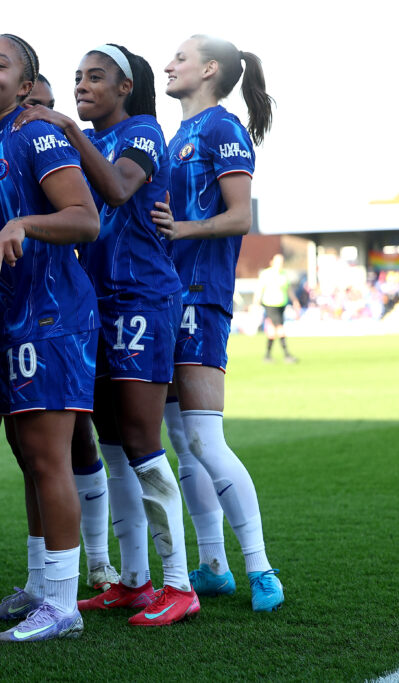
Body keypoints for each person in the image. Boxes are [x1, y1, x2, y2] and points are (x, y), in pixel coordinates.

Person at [15, 43, 198, 626]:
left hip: (142, 299)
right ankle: (136, 581)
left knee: (143, 443)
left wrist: (66, 127)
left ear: (126, 88)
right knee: (116, 448)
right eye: (77, 78)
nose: (81, 86)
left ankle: (180, 583)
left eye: (96, 77)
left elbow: (118, 192)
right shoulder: (85, 145)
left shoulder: (143, 131)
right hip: (98, 304)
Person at [0, 71, 117, 608]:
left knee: (48, 458)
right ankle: (41, 585)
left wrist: (24, 223)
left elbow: (86, 219)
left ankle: (64, 605)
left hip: (51, 316)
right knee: (29, 456)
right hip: (2, 319)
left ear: (23, 85)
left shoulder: (37, 135)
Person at [154, 34, 284, 612]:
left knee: (205, 437)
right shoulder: (177, 135)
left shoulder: (221, 129)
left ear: (209, 69)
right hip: (163, 298)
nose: (168, 64)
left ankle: (260, 568)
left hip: (199, 296)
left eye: (179, 58)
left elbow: (238, 217)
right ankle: (212, 565)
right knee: (183, 442)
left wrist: (182, 230)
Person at [253, 253, 301, 362]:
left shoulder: (284, 274)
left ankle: (267, 355)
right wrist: (255, 302)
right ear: (272, 262)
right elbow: (259, 289)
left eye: (282, 262)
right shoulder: (266, 274)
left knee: (272, 330)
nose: (280, 264)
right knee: (280, 328)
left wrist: (295, 301)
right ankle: (287, 354)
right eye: (278, 262)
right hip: (270, 304)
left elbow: (288, 289)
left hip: (281, 305)